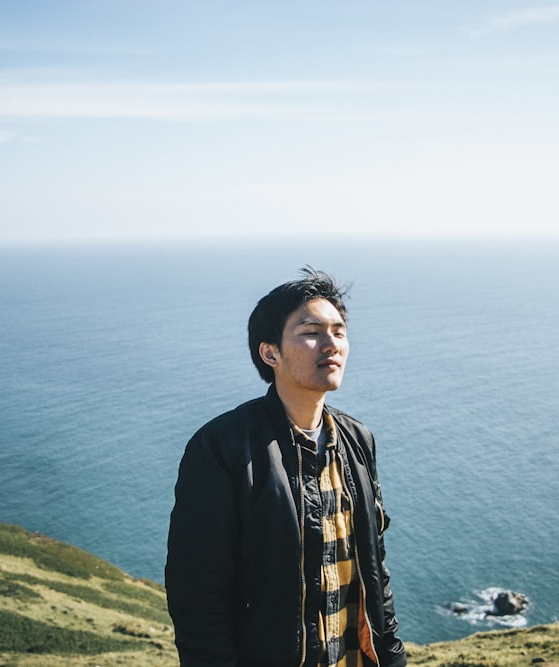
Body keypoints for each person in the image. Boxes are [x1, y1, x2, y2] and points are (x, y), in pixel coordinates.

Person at [165, 267, 407, 667]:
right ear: (270, 352)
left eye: (339, 331)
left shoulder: (357, 440)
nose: (331, 344)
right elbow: (197, 596)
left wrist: (394, 658)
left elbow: (375, 572)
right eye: (311, 331)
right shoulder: (222, 447)